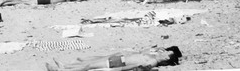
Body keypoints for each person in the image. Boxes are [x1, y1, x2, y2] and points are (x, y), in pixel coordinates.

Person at [46, 46, 182, 71]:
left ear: (166, 60)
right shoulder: (153, 56)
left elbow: (137, 67)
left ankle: (63, 70)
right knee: (89, 65)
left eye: (166, 54)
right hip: (120, 59)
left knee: (89, 67)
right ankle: (65, 67)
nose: (164, 53)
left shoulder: (152, 62)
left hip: (119, 63)